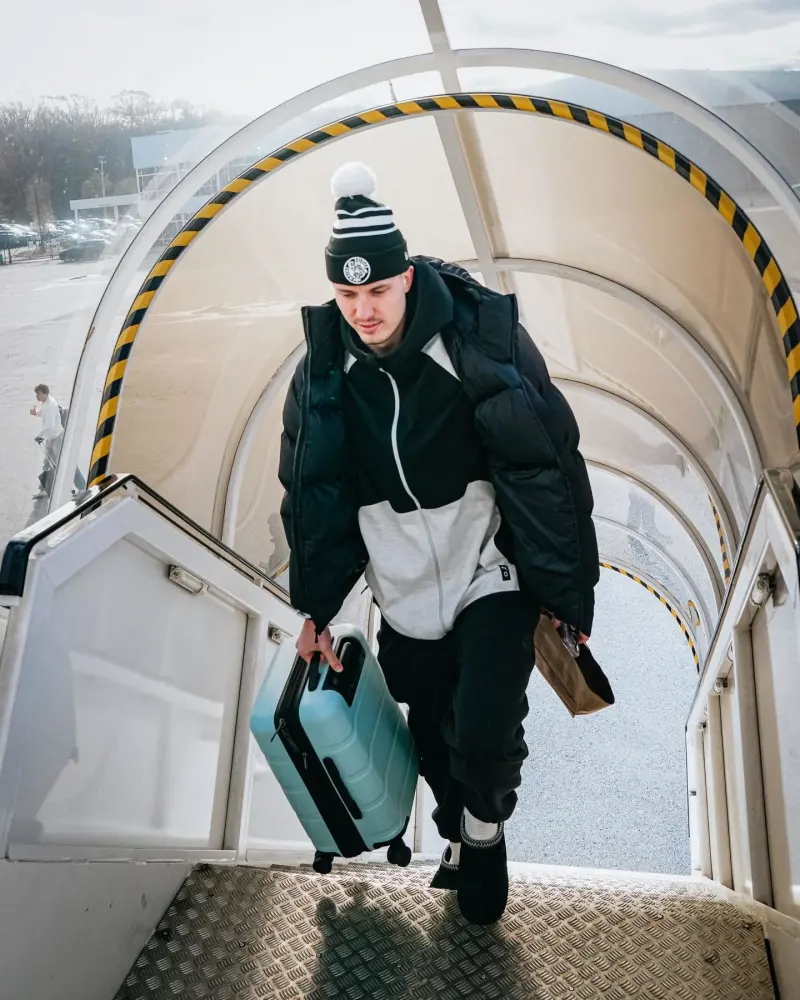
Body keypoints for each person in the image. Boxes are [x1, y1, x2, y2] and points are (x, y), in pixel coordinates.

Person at [279, 162, 599, 925]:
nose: (363, 311)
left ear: (406, 279)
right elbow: (312, 494)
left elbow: (548, 461)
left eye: (376, 292)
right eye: (347, 295)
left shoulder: (475, 340)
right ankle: (459, 825)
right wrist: (316, 610)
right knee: (431, 737)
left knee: (484, 728)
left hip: (487, 566)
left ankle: (483, 835)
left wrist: (566, 592)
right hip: (402, 587)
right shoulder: (324, 374)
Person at [30, 384, 64, 500]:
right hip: (50, 438)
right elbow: (44, 414)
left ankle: (81, 487)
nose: (37, 396)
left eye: (39, 394)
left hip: (57, 438)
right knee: (47, 463)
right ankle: (43, 489)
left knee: (62, 463)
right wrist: (36, 413)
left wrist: (39, 436)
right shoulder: (45, 403)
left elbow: (49, 425)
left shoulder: (51, 405)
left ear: (45, 394)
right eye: (36, 394)